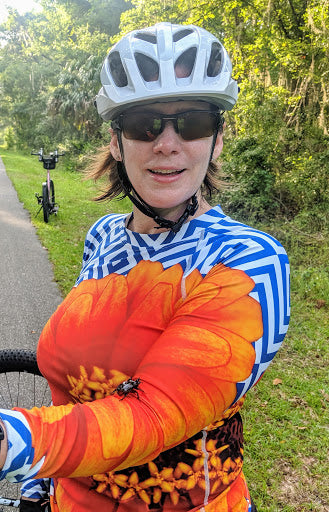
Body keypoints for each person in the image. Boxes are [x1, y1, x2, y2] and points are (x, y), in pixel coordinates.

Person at [0, 22, 290, 512]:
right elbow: (71, 386)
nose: (167, 144)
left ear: (217, 140)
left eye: (193, 122)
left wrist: (14, 443)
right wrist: (39, 481)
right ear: (117, 141)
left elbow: (154, 416)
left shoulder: (249, 260)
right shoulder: (104, 238)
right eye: (145, 125)